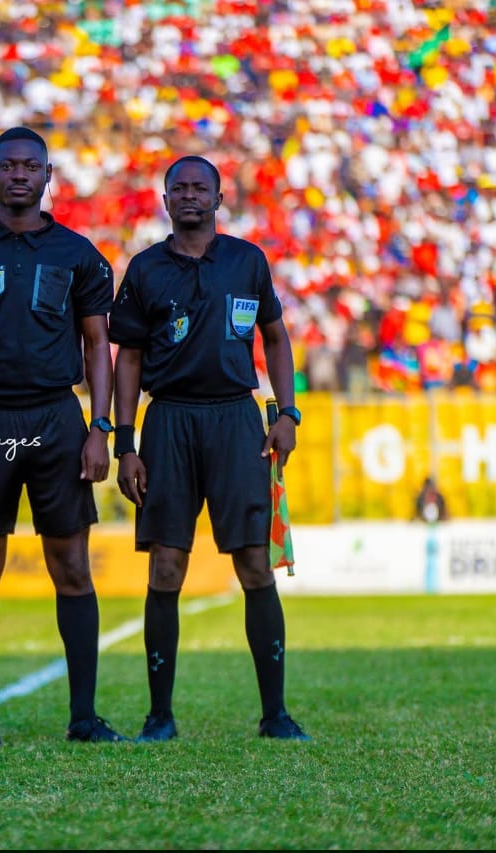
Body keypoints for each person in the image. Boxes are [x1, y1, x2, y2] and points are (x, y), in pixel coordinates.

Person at [0, 126, 124, 746]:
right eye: (6, 166)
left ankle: (84, 718)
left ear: (46, 176)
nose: (18, 175)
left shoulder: (79, 255)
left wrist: (100, 427)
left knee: (71, 566)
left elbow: (98, 347)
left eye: (29, 166)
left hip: (57, 420)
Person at [109, 154, 311, 743]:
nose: (191, 196)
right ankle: (159, 715)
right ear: (164, 200)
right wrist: (126, 443)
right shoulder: (145, 269)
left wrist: (287, 412)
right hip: (168, 420)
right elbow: (129, 359)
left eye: (202, 187)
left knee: (253, 564)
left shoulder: (248, 261)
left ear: (219, 199)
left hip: (235, 420)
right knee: (167, 567)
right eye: (180, 188)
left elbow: (275, 337)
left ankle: (275, 714)